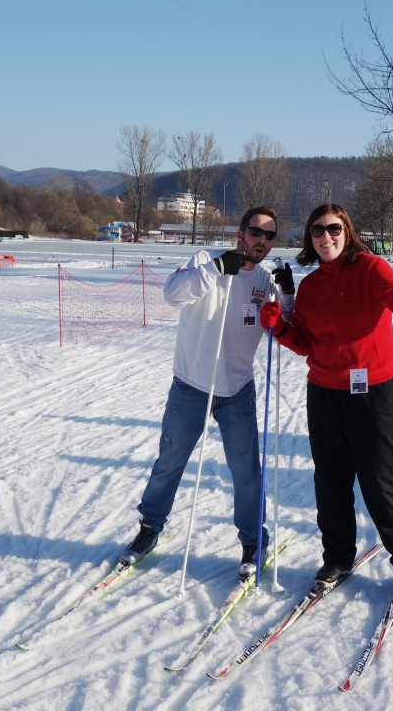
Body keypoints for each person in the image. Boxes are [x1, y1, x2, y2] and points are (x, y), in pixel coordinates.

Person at [258, 204, 393, 593]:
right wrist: (279, 328)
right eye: (317, 230)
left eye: (333, 229)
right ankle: (337, 558)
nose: (326, 237)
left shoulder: (371, 269)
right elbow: (305, 342)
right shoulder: (311, 287)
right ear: (310, 238)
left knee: (382, 479)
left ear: (347, 231)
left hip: (374, 391)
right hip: (324, 392)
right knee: (331, 481)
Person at [119, 206, 294, 581]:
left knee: (246, 472)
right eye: (256, 232)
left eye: (269, 236)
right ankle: (150, 527)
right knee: (170, 462)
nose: (262, 241)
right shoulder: (204, 260)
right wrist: (216, 269)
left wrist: (289, 293)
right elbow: (172, 294)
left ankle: (253, 541)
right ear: (240, 234)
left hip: (237, 389)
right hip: (191, 385)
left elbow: (287, 325)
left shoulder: (265, 279)